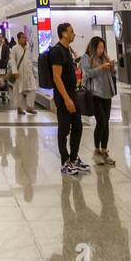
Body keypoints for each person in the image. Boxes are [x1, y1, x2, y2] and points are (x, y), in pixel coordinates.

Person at [50, 22, 87, 176]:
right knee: (64, 129)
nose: (74, 34)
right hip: (63, 96)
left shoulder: (67, 50)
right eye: (71, 31)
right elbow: (57, 77)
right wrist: (66, 99)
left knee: (78, 126)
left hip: (72, 94)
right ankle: (65, 162)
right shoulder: (57, 51)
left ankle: (74, 157)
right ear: (64, 33)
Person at [79, 36, 117, 166]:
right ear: (94, 47)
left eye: (103, 47)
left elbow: (112, 74)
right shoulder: (87, 57)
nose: (101, 50)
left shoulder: (105, 57)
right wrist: (101, 68)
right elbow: (87, 74)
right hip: (95, 94)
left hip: (107, 93)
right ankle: (96, 151)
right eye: (99, 47)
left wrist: (111, 68)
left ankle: (104, 151)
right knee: (101, 121)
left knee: (106, 122)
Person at [9, 30, 36, 115]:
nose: (25, 39)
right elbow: (12, 61)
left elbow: (29, 60)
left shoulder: (28, 47)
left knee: (33, 89)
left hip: (29, 73)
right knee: (18, 91)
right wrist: (15, 72)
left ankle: (30, 107)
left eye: (25, 37)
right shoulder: (14, 48)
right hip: (19, 73)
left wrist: (33, 72)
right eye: (23, 38)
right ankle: (19, 107)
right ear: (18, 39)